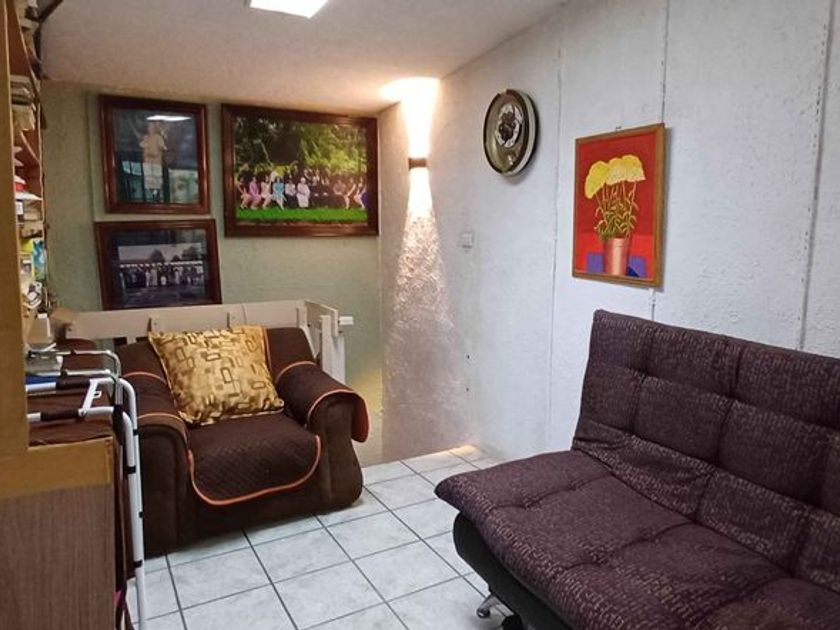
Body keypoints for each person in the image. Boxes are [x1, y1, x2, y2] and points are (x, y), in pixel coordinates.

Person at [140, 121, 167, 202]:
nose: (150, 128)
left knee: (156, 179)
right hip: (147, 162)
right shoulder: (146, 137)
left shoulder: (158, 137)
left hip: (156, 162)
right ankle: (152, 195)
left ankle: (157, 195)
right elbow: (141, 145)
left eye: (152, 127)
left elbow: (163, 147)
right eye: (149, 127)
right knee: (149, 179)